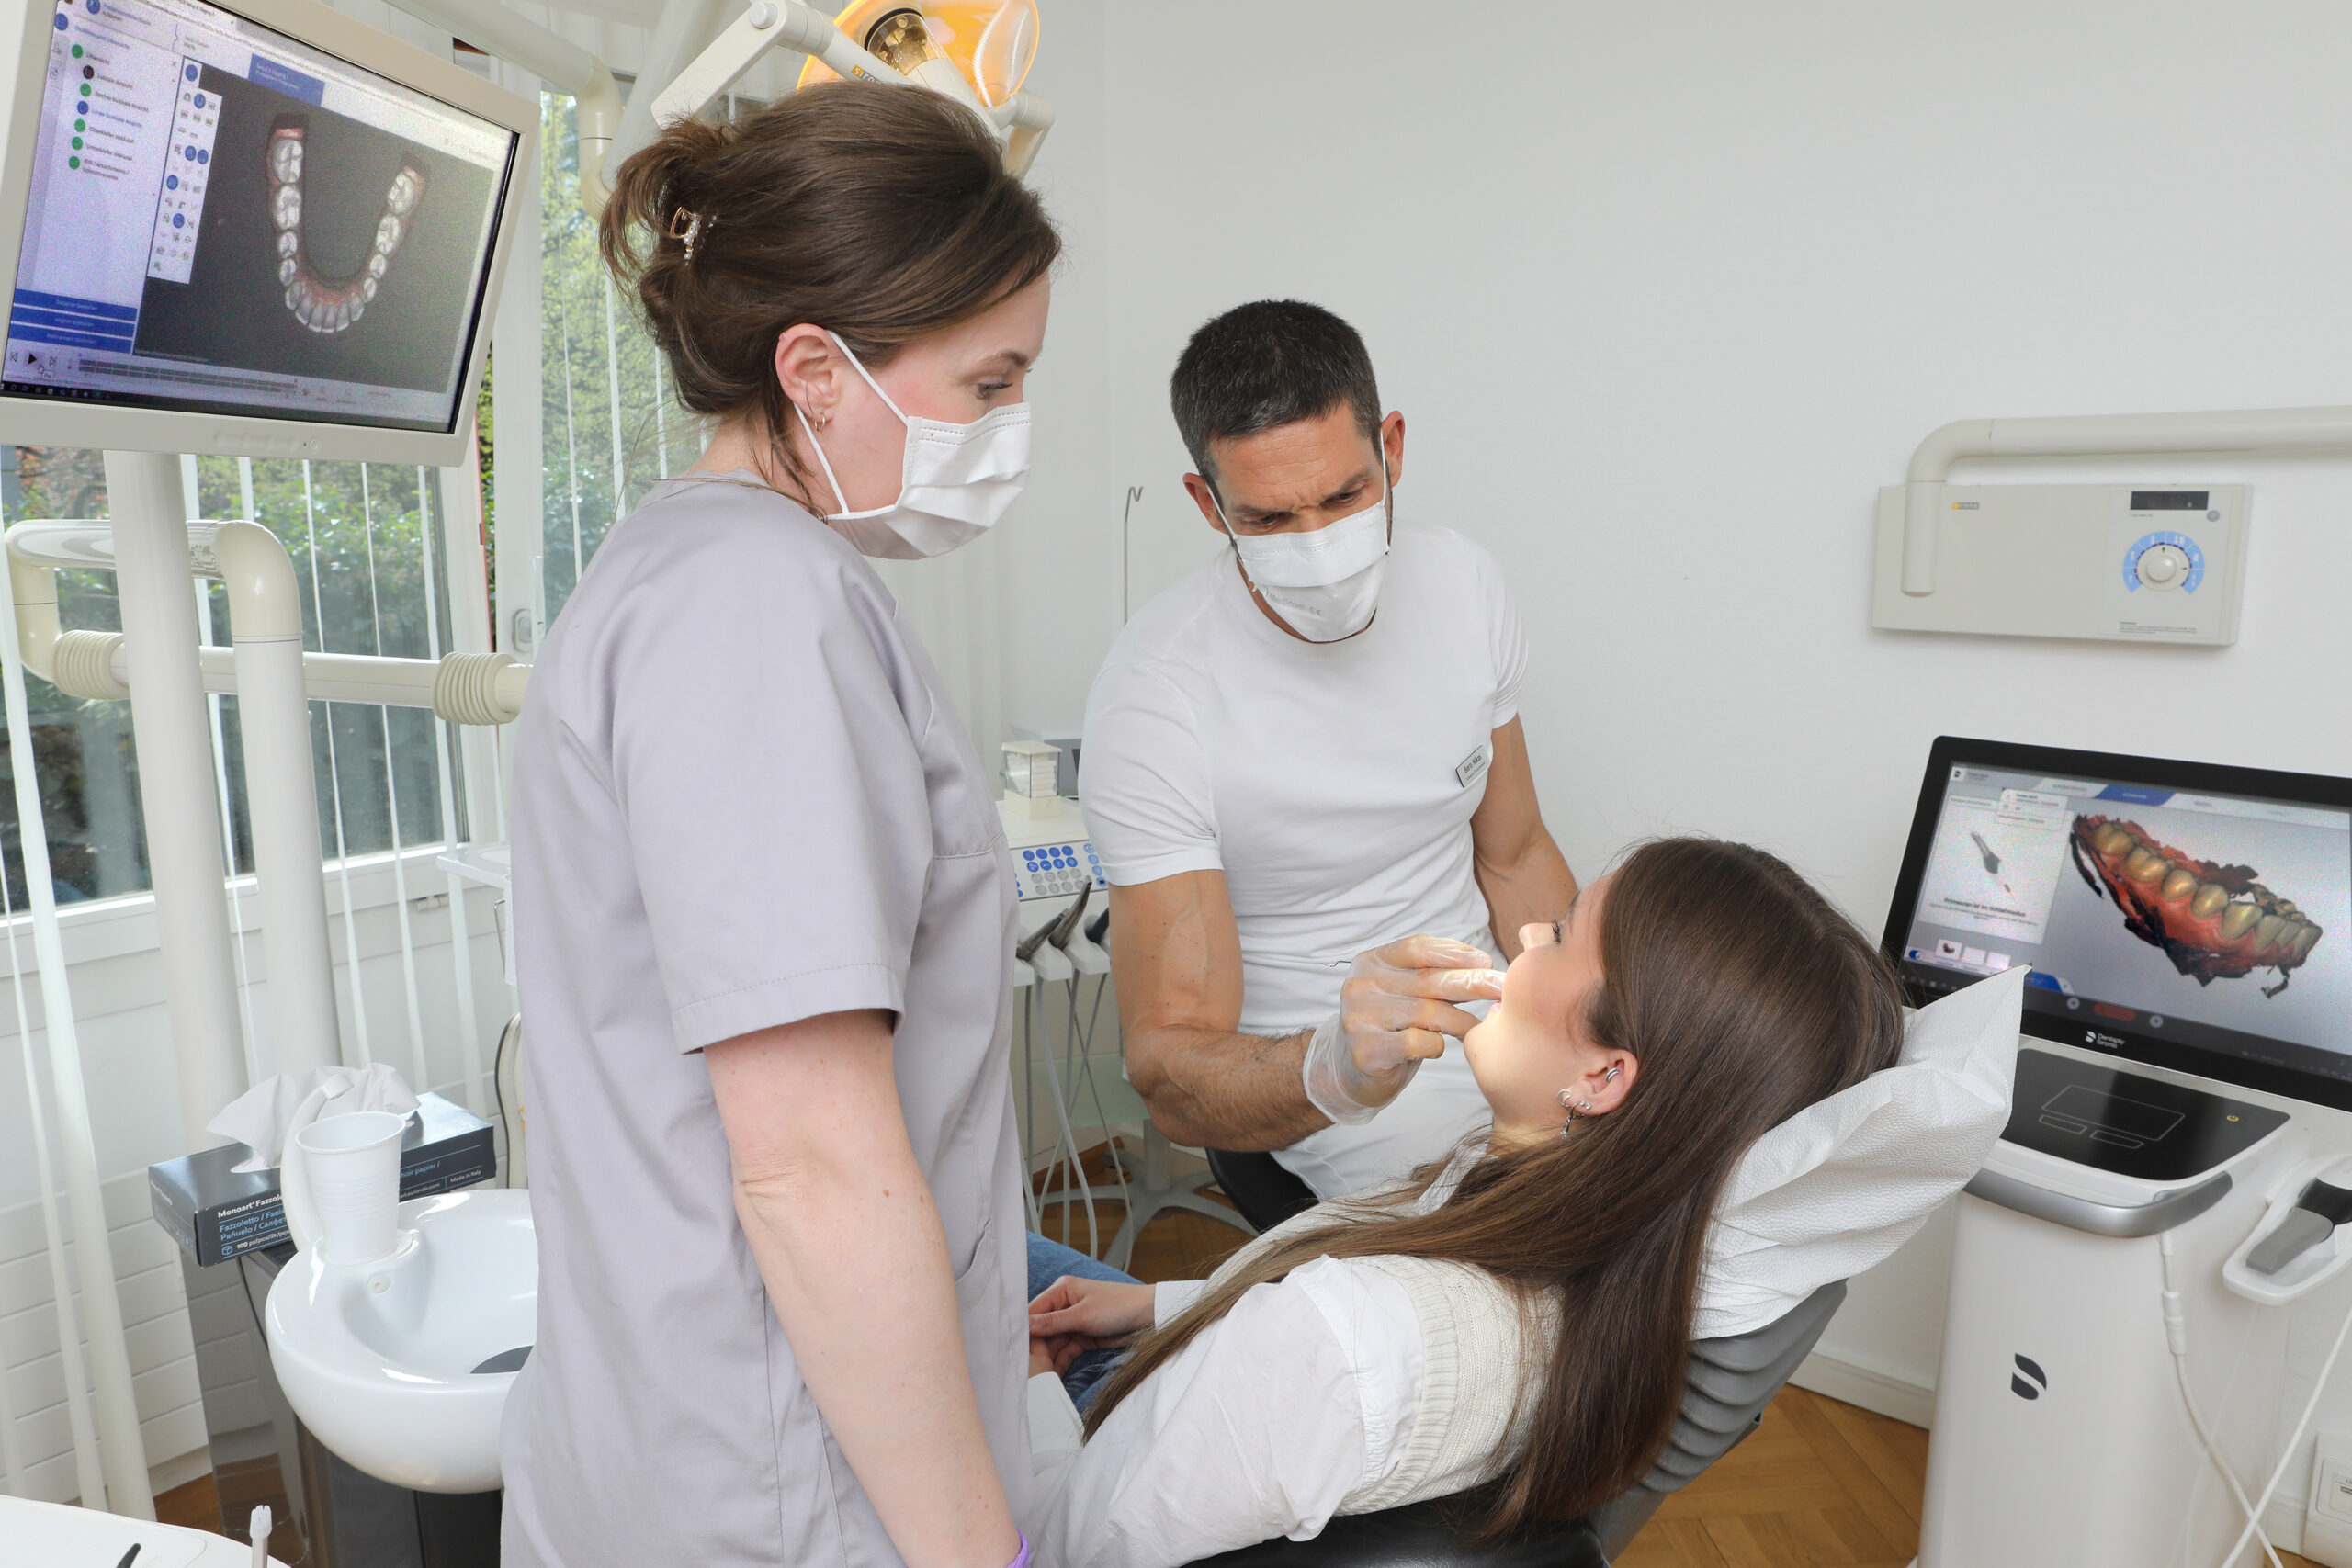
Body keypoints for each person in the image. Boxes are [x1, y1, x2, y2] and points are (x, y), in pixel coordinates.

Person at [501, 85, 1058, 1568]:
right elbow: (806, 1163)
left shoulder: (672, 567)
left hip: (689, 1425)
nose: (1013, 431)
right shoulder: (752, 605)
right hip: (782, 1476)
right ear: (815, 367)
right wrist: (974, 1552)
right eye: (989, 385)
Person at [1024, 839, 2018, 1567]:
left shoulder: (1339, 1335)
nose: (1518, 939)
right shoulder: (1583, 1235)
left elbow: (1075, 1543)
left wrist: (1022, 1386)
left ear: (1603, 1079)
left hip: (1086, 1471)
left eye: (1557, 935)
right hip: (1221, 1371)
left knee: (966, 1252)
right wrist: (1164, 1305)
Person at [1080, 299, 1577, 1201]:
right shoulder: (1157, 697)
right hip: (1326, 1083)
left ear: (1390, 447)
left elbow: (1514, 855)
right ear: (1206, 502)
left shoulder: (1463, 587)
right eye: (1269, 519)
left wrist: (1590, 1021)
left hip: (1500, 1025)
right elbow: (1170, 1065)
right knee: (1502, 1255)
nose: (1319, 551)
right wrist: (1342, 1067)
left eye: (1345, 497)